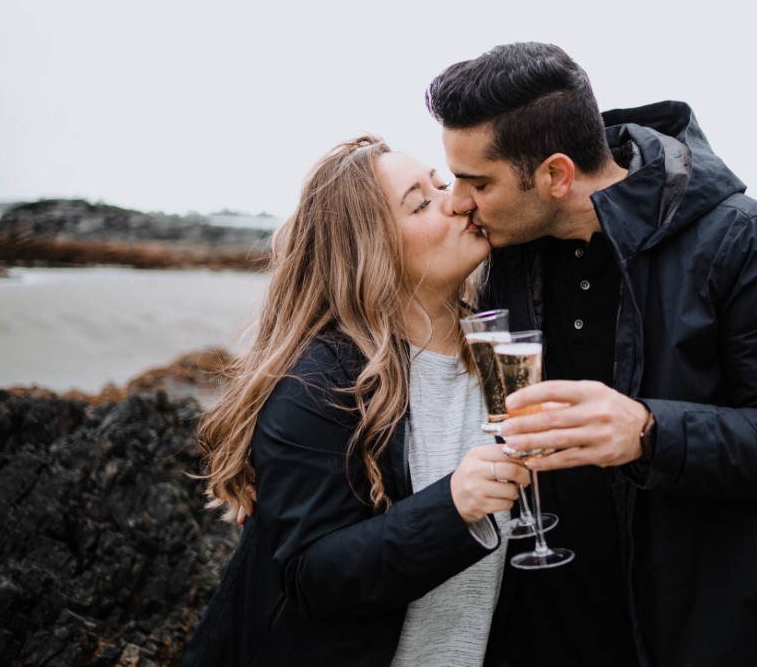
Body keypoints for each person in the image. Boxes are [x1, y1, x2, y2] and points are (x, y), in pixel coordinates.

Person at [425, 43, 757, 667]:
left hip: (708, 630)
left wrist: (648, 432)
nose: (457, 201)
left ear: (556, 175)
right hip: (541, 626)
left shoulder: (749, 241)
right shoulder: (500, 252)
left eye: (477, 182)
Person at [180, 135, 530, 666]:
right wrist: (452, 507)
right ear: (372, 248)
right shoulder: (321, 383)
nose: (457, 199)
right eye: (421, 201)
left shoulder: (503, 345)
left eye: (442, 183)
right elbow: (312, 578)